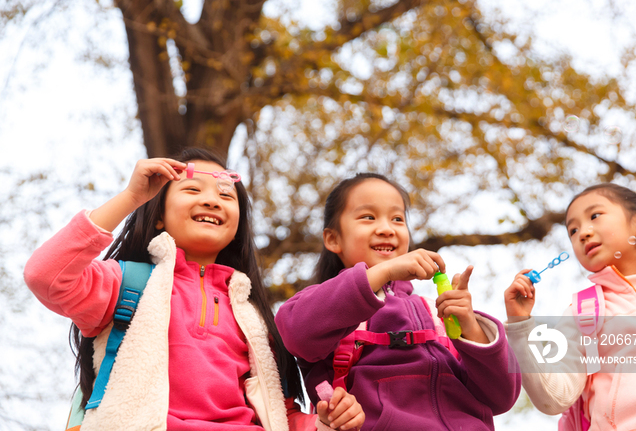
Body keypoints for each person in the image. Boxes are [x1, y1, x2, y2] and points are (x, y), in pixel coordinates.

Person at [24, 148, 365, 431]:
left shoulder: (257, 321)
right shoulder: (126, 286)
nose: (212, 200)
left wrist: (326, 423)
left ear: (237, 225)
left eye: (225, 195)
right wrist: (132, 197)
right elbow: (45, 276)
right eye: (192, 190)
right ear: (158, 214)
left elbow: (281, 415)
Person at [275, 173, 521, 431]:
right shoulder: (329, 309)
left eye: (397, 219)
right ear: (333, 239)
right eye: (368, 217)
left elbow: (501, 398)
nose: (386, 228)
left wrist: (471, 327)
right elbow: (294, 330)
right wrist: (384, 272)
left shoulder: (435, 312)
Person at [504, 183, 636, 430]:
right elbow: (553, 400)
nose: (582, 233)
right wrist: (520, 324)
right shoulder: (583, 313)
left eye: (594, 216)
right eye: (573, 230)